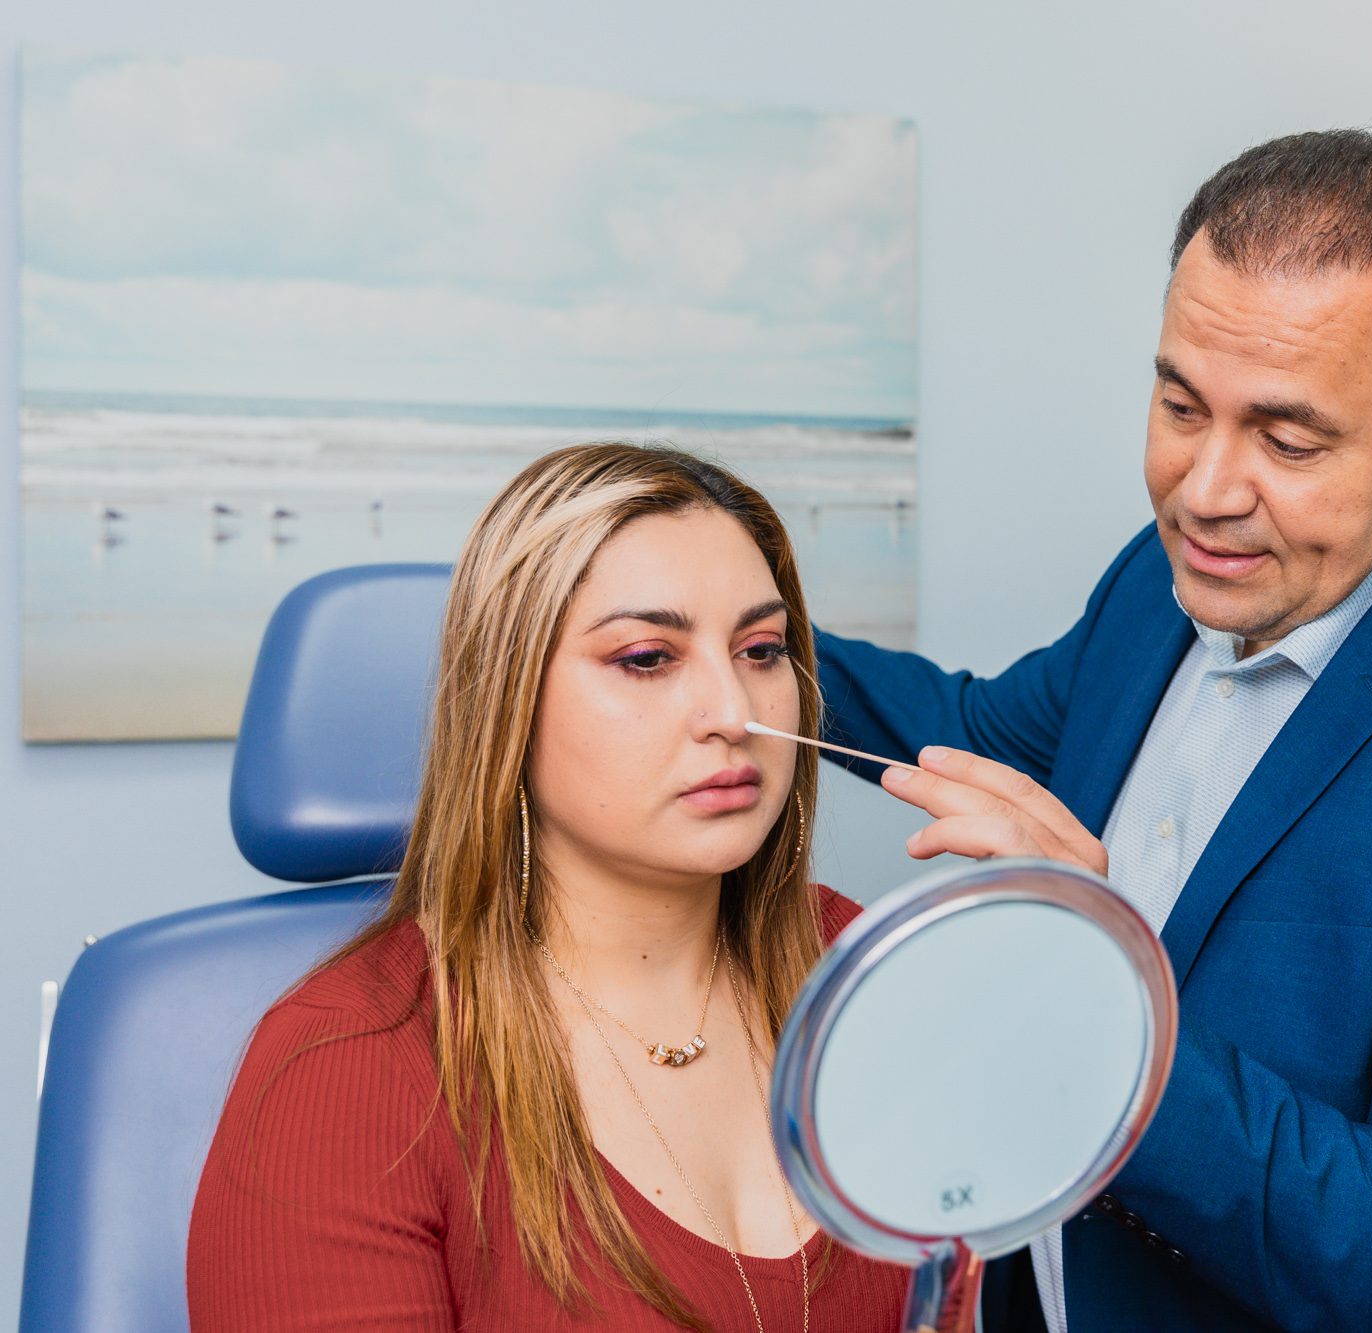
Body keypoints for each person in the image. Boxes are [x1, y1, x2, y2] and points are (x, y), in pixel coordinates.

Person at [813, 130, 1372, 1331]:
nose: (1204, 487)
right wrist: (728, 638)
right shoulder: (1175, 575)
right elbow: (975, 735)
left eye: (1288, 441)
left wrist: (1097, 991)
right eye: (1179, 404)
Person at [188, 444, 909, 1331]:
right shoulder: (352, 1066)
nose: (733, 711)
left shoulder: (873, 969)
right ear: (508, 700)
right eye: (647, 657)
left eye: (761, 650)